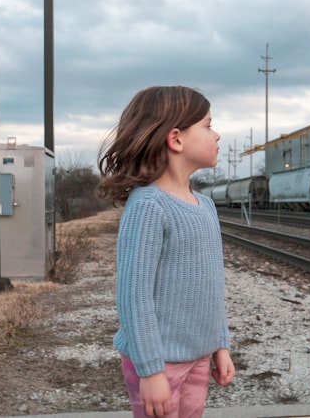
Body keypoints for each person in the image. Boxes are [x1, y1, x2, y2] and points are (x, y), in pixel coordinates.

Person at [97, 86, 236, 418]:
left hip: (199, 356)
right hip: (158, 363)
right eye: (207, 125)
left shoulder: (206, 205)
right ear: (176, 139)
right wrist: (150, 370)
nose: (217, 135)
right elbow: (134, 296)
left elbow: (212, 288)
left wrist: (221, 344)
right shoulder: (148, 206)